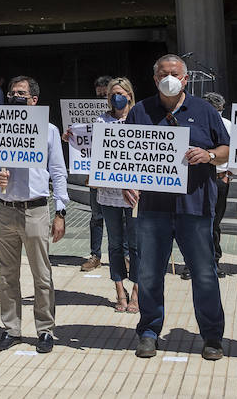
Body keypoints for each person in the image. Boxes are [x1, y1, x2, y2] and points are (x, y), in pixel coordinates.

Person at [125, 54, 230, 361]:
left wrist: (209, 155)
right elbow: (124, 152)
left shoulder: (204, 110)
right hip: (153, 208)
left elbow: (226, 149)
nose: (169, 78)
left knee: (204, 274)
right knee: (149, 274)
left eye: (175, 73)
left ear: (185, 79)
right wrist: (127, 182)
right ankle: (148, 332)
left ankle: (212, 336)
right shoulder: (141, 111)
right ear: (155, 79)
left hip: (195, 207)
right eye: (163, 74)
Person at [0, 76, 67, 353]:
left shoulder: (48, 130)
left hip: (35, 210)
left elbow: (57, 171)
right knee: (7, 275)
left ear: (34, 99)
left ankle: (45, 330)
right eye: (12, 92)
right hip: (5, 209)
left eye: (21, 93)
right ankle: (11, 328)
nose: (14, 96)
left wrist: (61, 210)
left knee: (41, 275)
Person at [97, 78, 138, 312]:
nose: (116, 98)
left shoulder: (139, 118)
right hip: (108, 192)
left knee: (136, 244)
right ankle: (119, 291)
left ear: (129, 95)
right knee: (114, 244)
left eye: (120, 93)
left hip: (134, 193)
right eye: (112, 95)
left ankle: (136, 292)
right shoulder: (101, 120)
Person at [80, 74, 113, 273]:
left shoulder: (127, 116)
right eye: (98, 95)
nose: (101, 99)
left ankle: (125, 255)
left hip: (117, 174)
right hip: (96, 172)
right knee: (96, 216)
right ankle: (95, 255)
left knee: (123, 219)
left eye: (105, 95)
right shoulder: (91, 116)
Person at [203, 91, 234, 278]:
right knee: (197, 222)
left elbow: (234, 151)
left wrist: (227, 175)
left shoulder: (228, 125)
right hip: (199, 179)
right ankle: (193, 263)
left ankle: (214, 261)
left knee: (215, 222)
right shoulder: (198, 123)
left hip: (219, 177)